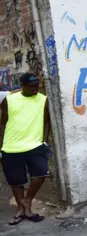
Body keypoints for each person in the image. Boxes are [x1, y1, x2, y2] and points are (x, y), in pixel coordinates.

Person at [0, 73, 50, 225]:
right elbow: (2, 123)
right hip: (11, 147)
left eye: (37, 86)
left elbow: (46, 122)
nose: (35, 89)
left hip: (35, 144)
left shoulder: (43, 99)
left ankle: (27, 201)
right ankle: (23, 211)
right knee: (17, 181)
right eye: (31, 86)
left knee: (41, 174)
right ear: (22, 85)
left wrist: (44, 141)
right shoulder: (9, 100)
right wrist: (1, 145)